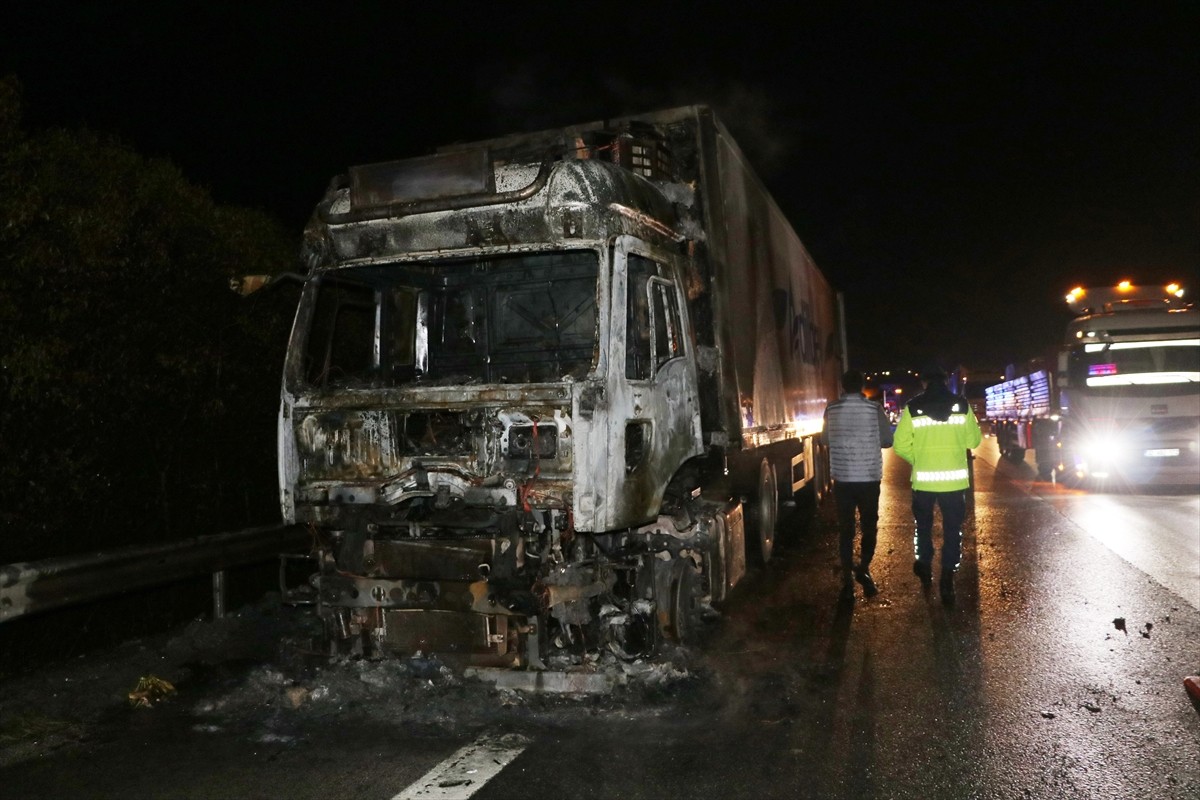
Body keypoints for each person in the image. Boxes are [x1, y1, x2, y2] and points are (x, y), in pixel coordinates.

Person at [893, 364, 982, 604]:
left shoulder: (913, 407)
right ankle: (947, 578)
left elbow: (899, 445)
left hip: (924, 483)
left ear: (924, 383)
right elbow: (974, 441)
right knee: (953, 530)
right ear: (944, 382)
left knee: (923, 526)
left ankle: (924, 565)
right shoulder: (962, 406)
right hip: (954, 484)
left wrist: (919, 460)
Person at [822, 370, 894, 602]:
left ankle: (846, 577)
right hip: (868, 478)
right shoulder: (874, 410)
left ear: (842, 386)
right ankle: (863, 567)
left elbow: (825, 440)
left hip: (843, 478)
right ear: (862, 385)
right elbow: (887, 440)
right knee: (869, 525)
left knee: (846, 529)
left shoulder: (831, 410)